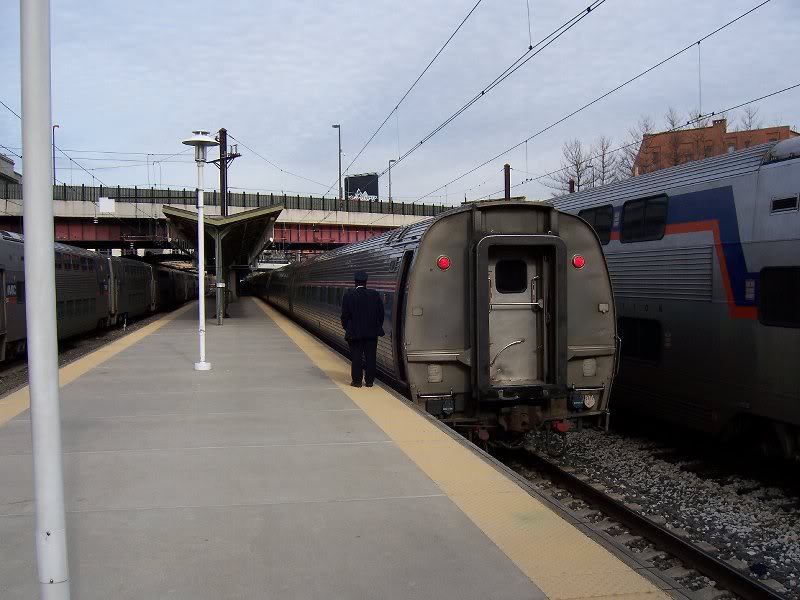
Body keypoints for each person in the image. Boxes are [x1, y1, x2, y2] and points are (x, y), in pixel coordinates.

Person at [340, 270, 385, 387]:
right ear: (366, 282)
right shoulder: (374, 295)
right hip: (371, 334)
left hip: (354, 333)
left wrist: (348, 328)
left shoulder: (349, 295)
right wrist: (376, 326)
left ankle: (357, 381)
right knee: (371, 357)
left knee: (356, 357)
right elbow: (381, 314)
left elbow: (345, 316)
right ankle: (369, 381)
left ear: (355, 282)